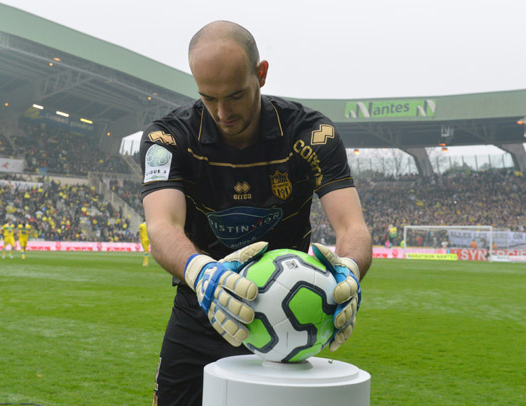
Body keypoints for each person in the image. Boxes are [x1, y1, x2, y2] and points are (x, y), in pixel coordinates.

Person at [140, 21, 372, 406]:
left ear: (260, 74)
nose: (222, 112)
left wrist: (349, 269)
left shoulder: (312, 134)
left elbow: (353, 226)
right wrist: (201, 272)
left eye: (235, 95)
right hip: (202, 304)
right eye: (208, 98)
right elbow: (162, 225)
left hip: (289, 319)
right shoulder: (167, 138)